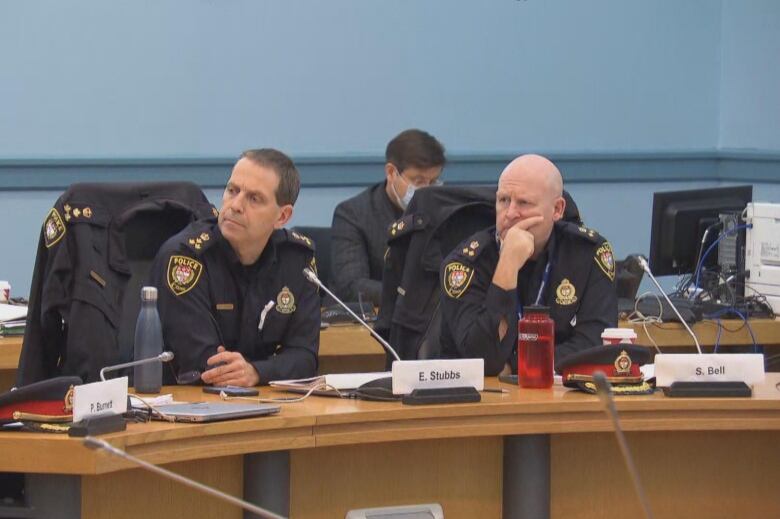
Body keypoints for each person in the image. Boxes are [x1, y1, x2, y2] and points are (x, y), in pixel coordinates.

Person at [149, 149, 320, 386]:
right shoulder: (186, 259)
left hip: (263, 405)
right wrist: (262, 369)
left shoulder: (296, 261)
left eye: (254, 198)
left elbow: (304, 357)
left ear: (282, 216)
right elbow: (204, 365)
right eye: (233, 190)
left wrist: (256, 372)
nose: (236, 205)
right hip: (187, 407)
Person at [439, 154, 617, 375]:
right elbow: (484, 360)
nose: (510, 213)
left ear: (557, 210)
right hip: (483, 402)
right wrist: (508, 264)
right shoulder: (465, 264)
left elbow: (595, 343)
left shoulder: (587, 253)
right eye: (503, 200)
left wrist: (515, 367)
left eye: (524, 203)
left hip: (563, 396)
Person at [331, 129, 445, 304]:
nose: (427, 190)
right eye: (419, 181)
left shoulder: (444, 212)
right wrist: (411, 296)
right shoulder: (353, 214)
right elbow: (352, 286)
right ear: (391, 173)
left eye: (433, 182)